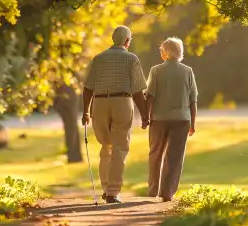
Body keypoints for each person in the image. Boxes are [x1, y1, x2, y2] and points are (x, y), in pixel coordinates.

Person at [82, 25, 149, 204]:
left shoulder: (99, 58)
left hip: (100, 103)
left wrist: (85, 111)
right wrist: (145, 115)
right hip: (122, 102)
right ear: (127, 41)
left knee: (106, 146)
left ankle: (105, 188)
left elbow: (88, 88)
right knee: (119, 148)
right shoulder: (131, 59)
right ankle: (112, 192)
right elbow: (137, 91)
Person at [145, 37, 197, 202]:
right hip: (182, 119)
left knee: (155, 153)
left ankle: (153, 190)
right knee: (175, 157)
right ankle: (167, 193)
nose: (160, 52)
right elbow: (193, 100)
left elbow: (150, 96)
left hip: (159, 119)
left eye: (161, 50)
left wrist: (146, 116)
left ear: (166, 53)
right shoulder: (188, 71)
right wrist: (193, 123)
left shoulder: (156, 70)